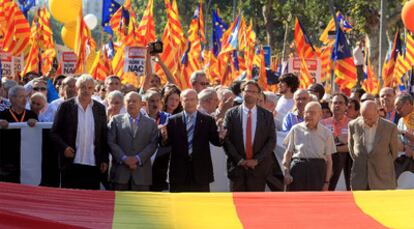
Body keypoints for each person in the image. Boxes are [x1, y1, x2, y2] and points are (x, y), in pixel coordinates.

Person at [160, 89, 226, 192]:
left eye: (192, 99)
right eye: (186, 100)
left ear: (197, 101)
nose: (189, 102)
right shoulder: (172, 120)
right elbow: (166, 144)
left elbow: (216, 142)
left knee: (200, 206)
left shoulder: (208, 120)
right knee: (179, 206)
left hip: (201, 173)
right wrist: (164, 136)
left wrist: (221, 136)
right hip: (179, 173)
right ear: (181, 102)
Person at [50, 74, 109, 190]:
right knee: (70, 201)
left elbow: (103, 137)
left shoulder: (100, 109)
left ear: (94, 90)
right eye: (83, 87)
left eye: (90, 88)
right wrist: (64, 148)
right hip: (71, 163)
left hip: (93, 164)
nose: (86, 90)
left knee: (90, 203)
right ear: (77, 88)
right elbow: (54, 132)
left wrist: (104, 159)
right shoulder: (65, 106)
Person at [223, 81, 276, 191]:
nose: (250, 94)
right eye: (247, 91)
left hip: (258, 169)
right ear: (242, 93)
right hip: (237, 169)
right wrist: (240, 160)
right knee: (236, 205)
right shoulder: (231, 114)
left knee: (255, 206)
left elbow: (271, 141)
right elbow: (226, 140)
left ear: (258, 95)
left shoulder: (267, 116)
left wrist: (256, 160)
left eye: (253, 91)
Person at [108, 92, 158, 191]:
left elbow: (153, 144)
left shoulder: (151, 123)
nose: (131, 103)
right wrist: (124, 158)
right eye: (128, 101)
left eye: (134, 101)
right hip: (120, 175)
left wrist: (137, 158)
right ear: (124, 104)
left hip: (142, 175)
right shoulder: (115, 120)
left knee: (140, 206)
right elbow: (111, 142)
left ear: (141, 104)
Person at [283, 102, 334, 191]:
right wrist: (286, 172)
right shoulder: (296, 129)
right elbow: (288, 153)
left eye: (313, 113)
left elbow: (329, 161)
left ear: (320, 115)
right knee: (296, 200)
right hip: (298, 169)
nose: (309, 115)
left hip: (318, 170)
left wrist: (326, 182)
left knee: (315, 201)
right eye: (306, 112)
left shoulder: (326, 133)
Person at [348, 101, 398, 190]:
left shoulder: (390, 127)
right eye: (364, 118)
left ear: (377, 113)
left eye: (370, 118)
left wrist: (380, 160)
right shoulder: (353, 125)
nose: (367, 121)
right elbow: (352, 149)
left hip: (383, 179)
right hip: (360, 179)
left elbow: (394, 152)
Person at [0, 85, 38, 183]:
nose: (24, 100)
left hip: (27, 160)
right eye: (21, 97)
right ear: (11, 98)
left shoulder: (32, 115)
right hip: (7, 162)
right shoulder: (3, 115)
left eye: (26, 96)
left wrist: (36, 124)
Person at [320, 93, 352, 190]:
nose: (337, 105)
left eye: (341, 103)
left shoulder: (352, 123)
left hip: (346, 162)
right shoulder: (322, 123)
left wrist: (334, 147)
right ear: (330, 106)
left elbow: (353, 147)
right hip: (327, 160)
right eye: (335, 103)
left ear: (346, 106)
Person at [394, 93, 414, 178]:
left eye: (399, 108)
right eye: (396, 110)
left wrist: (402, 132)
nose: (398, 112)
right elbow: (399, 142)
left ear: (407, 103)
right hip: (408, 163)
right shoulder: (401, 120)